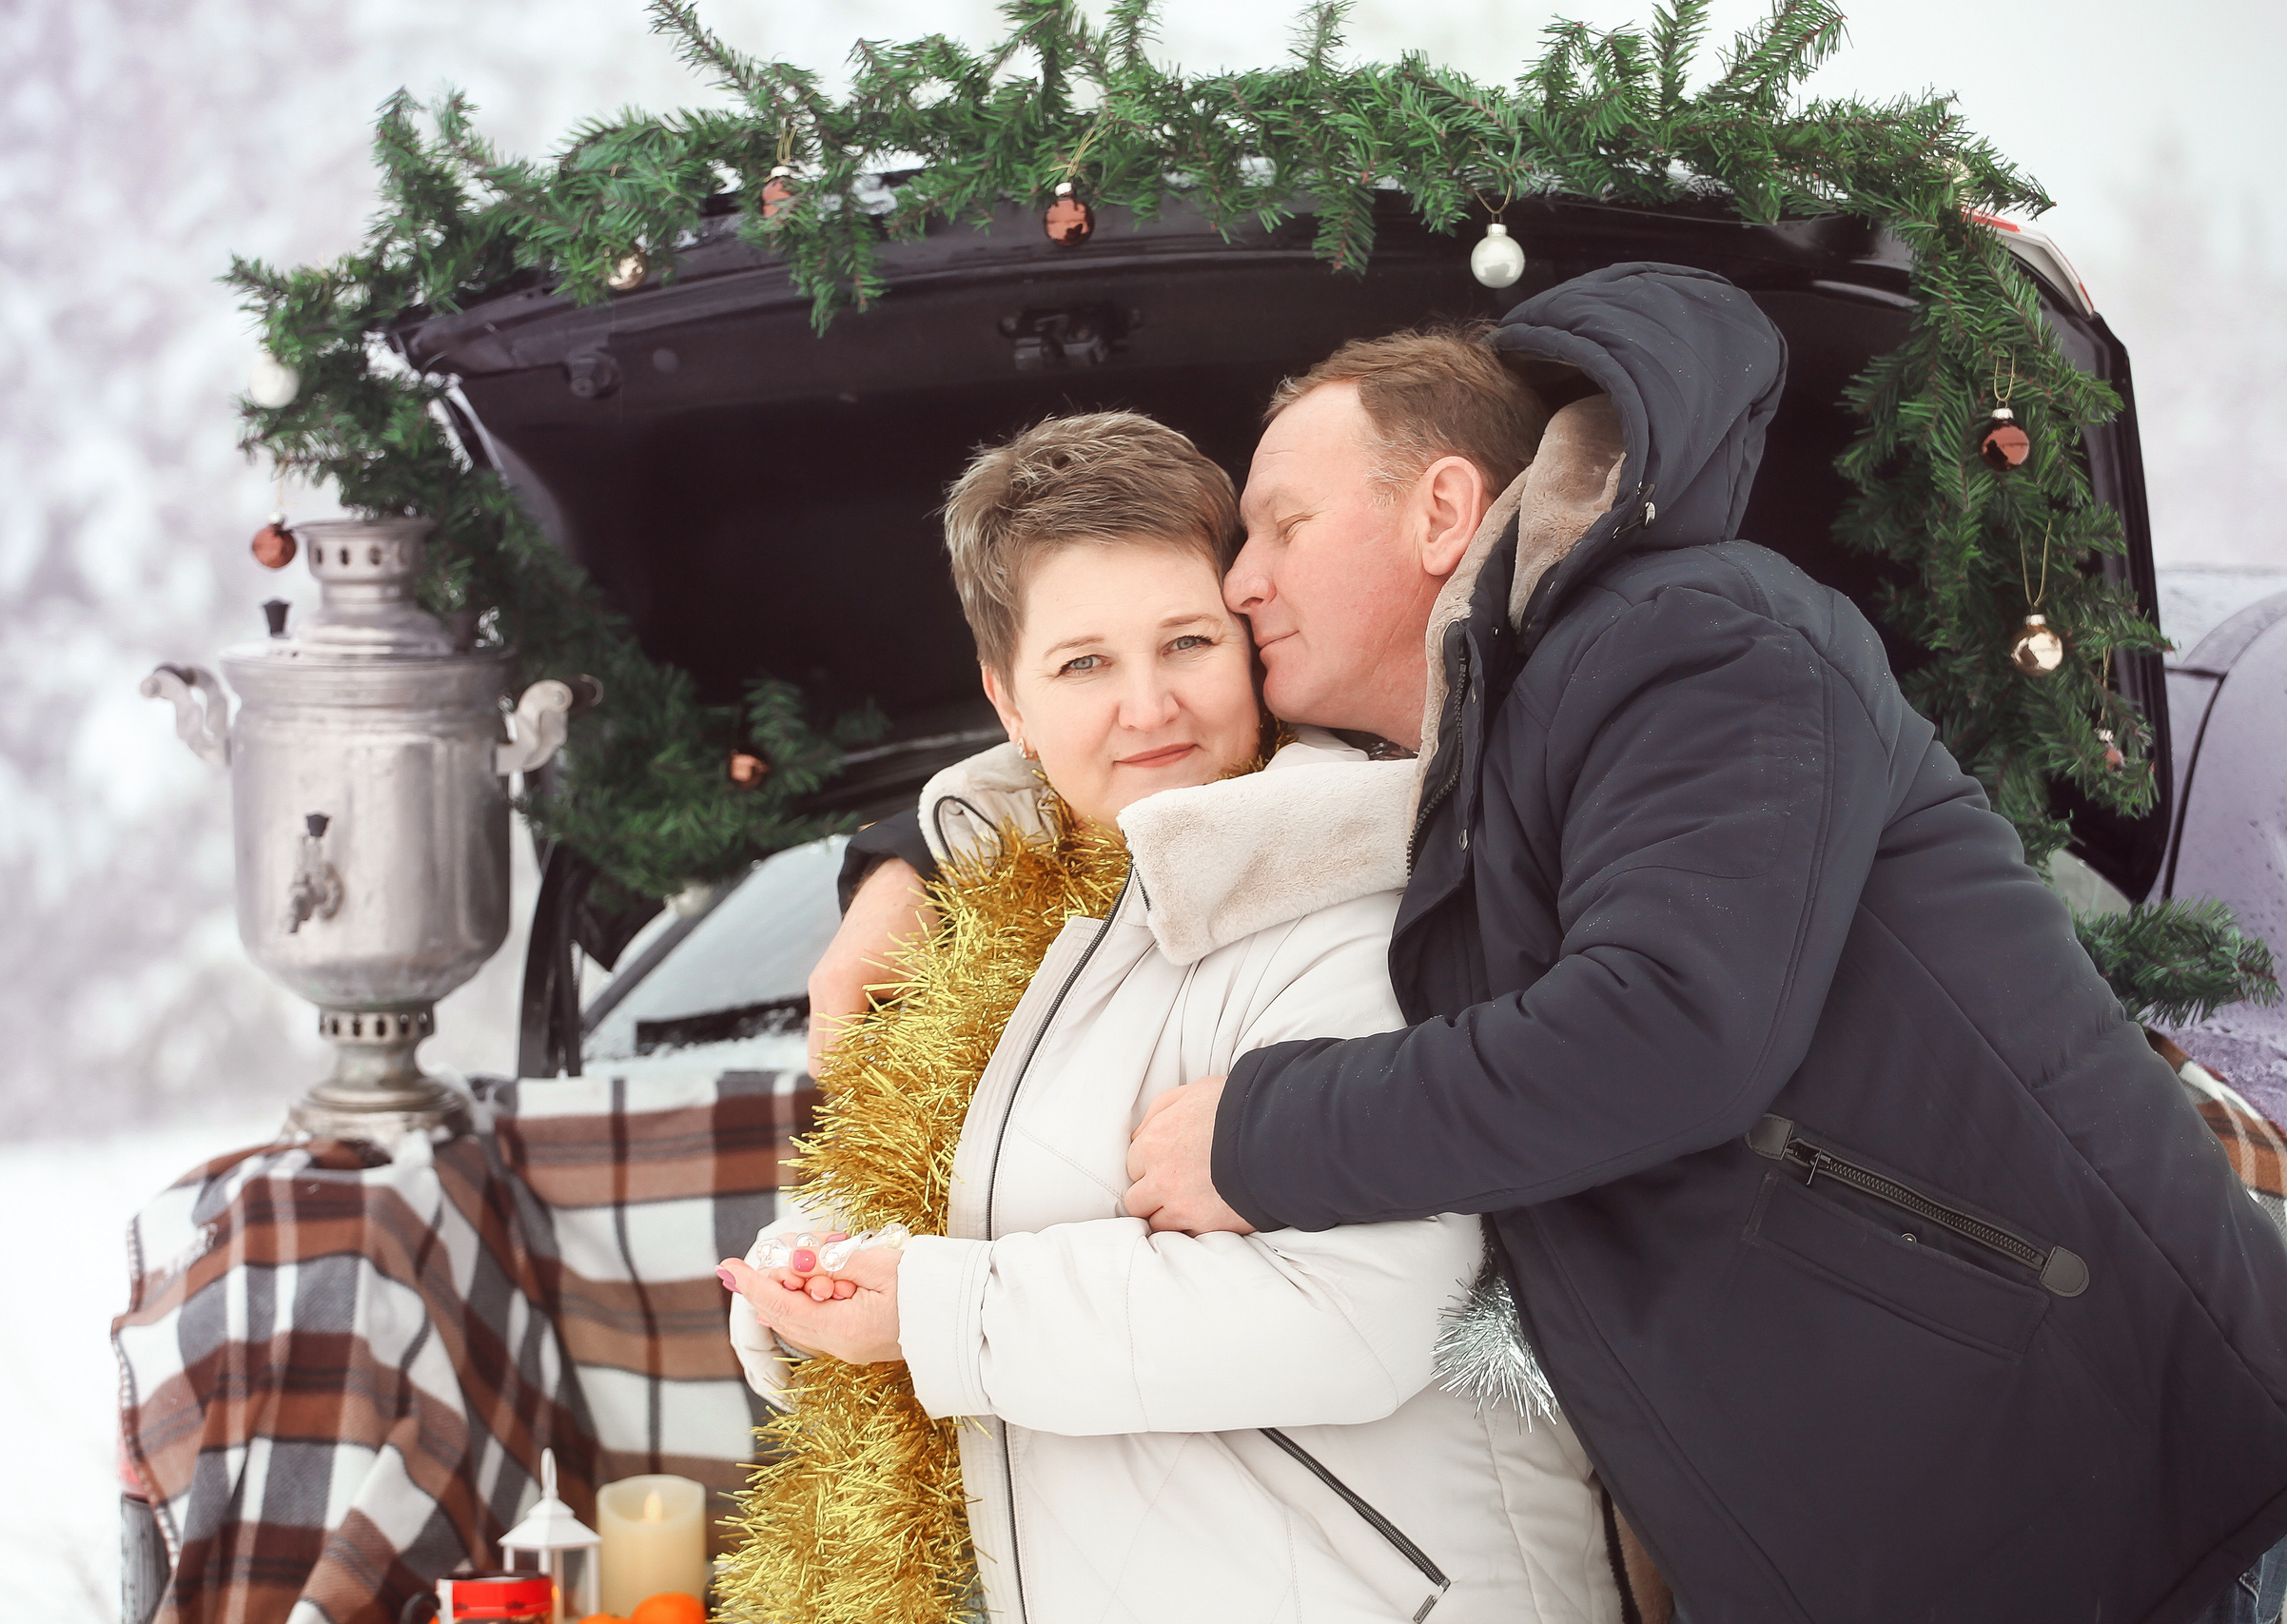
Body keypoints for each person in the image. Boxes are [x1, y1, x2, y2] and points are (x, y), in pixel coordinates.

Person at [811, 267, 2287, 1620]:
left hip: (2140, 1480)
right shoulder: (1471, 772)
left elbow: (1675, 1025)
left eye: (1279, 526)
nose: (1240, 581)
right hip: (1937, 1519)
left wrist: (1266, 1129)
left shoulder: (1692, 635)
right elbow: (1131, 749)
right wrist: (898, 864)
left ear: (1446, 510)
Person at [722, 412, 1622, 1624]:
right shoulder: (1004, 922)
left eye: (1187, 642)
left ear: (1250, 641)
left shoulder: (1352, 901)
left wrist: (934, 1310)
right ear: (1009, 702)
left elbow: (1355, 1316)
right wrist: (812, 1273)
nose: (1148, 706)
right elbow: (929, 1186)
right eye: (1083, 664)